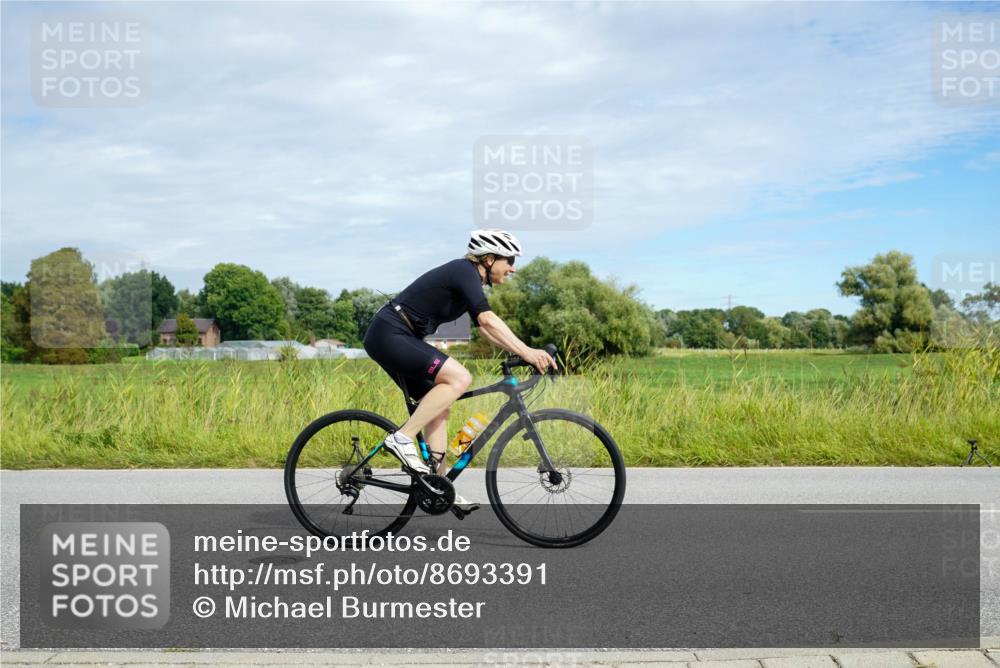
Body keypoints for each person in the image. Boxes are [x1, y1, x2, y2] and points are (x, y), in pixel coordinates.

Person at [362, 229, 558, 513]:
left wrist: (521, 353)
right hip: (390, 333)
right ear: (489, 259)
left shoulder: (470, 281)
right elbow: (489, 320)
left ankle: (438, 486)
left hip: (399, 337)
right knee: (460, 378)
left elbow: (487, 330)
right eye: (509, 260)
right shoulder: (463, 270)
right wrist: (527, 352)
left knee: (439, 408)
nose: (513, 268)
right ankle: (401, 438)